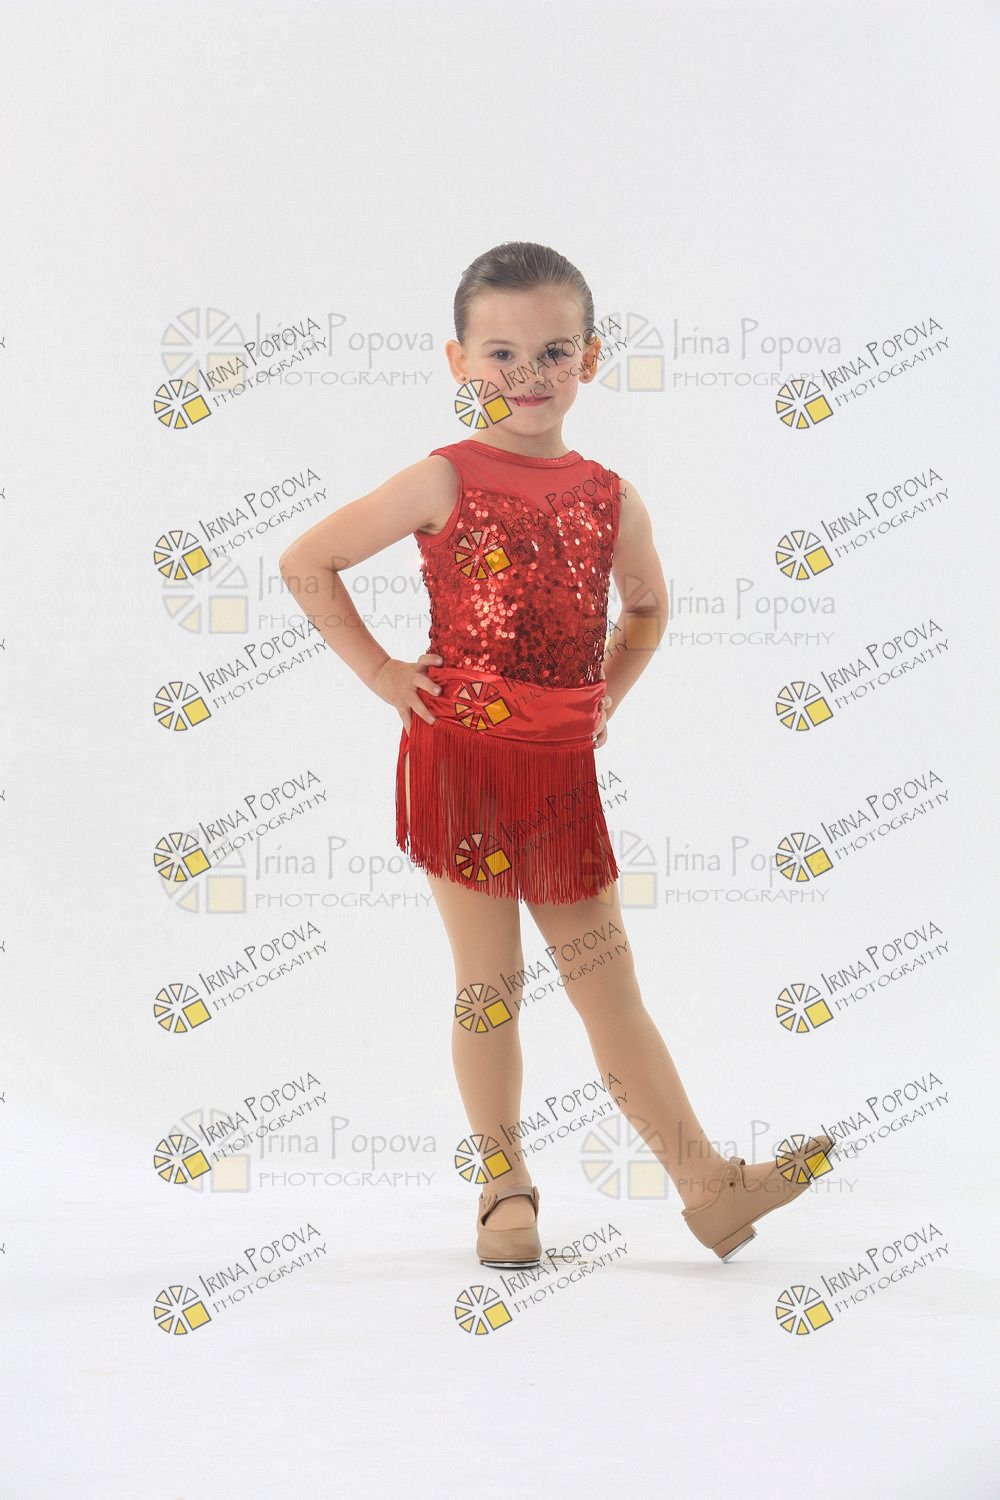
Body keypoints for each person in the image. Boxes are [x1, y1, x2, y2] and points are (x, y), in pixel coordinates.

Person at [278, 240, 834, 1269]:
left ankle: (707, 1186)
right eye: (501, 353)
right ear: (459, 362)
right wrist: (385, 674)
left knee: (605, 984)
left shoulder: (610, 497)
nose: (527, 375)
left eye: (552, 352)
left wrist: (602, 698)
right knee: (490, 984)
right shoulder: (442, 477)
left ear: (590, 357)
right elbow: (307, 559)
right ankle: (504, 1188)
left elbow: (648, 609)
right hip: (461, 763)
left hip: (559, 774)